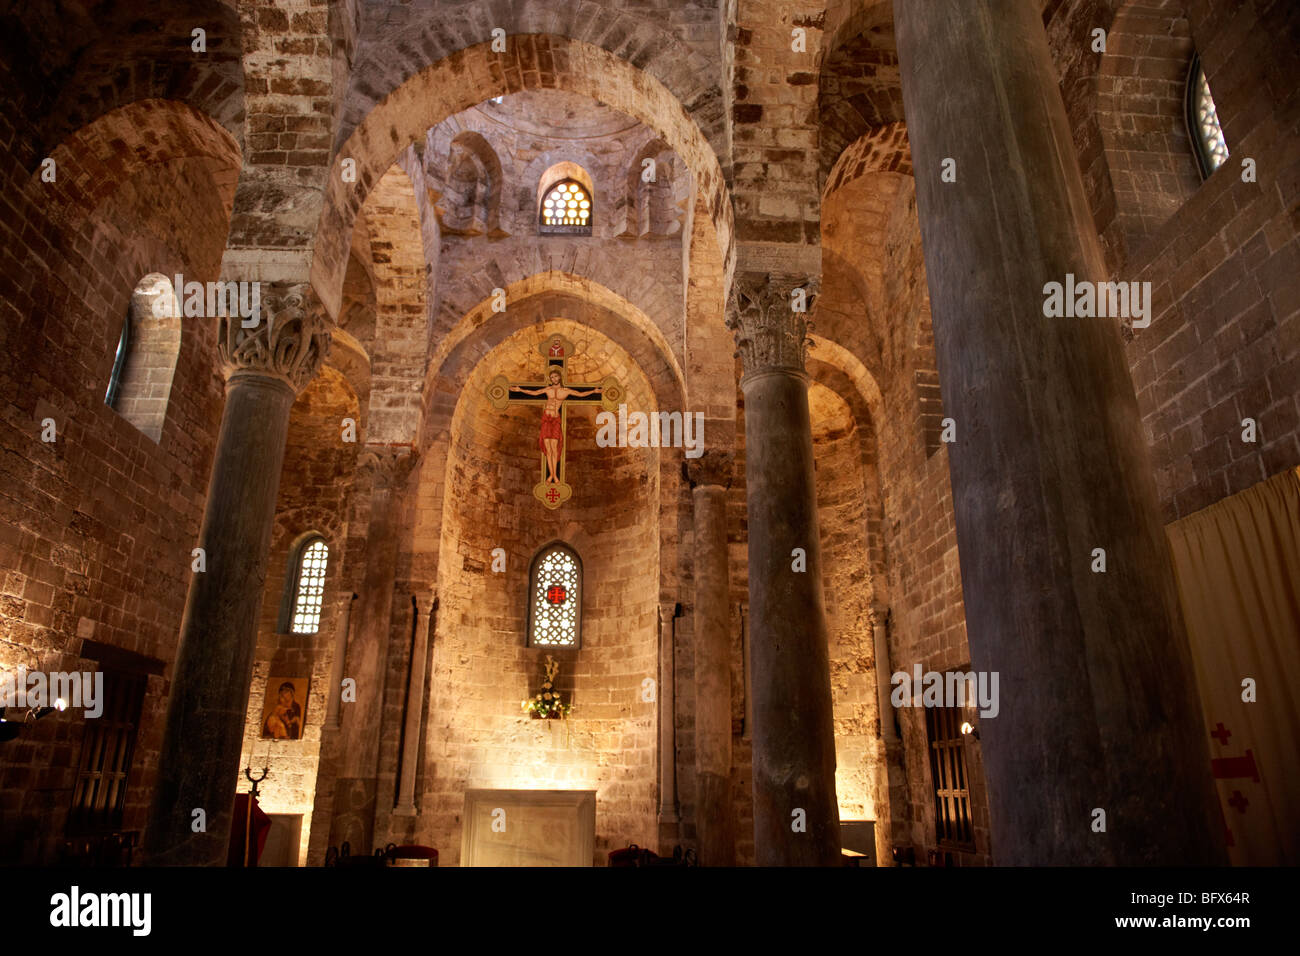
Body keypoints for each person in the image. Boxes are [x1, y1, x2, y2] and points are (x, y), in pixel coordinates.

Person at [514, 368, 601, 484]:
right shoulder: (548, 389)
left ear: (559, 377)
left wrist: (593, 392)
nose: (554, 379)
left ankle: (554, 476)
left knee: (554, 449)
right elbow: (534, 393)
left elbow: (580, 394)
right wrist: (520, 389)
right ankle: (552, 476)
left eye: (555, 376)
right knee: (548, 450)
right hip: (546, 419)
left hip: (555, 420)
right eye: (552, 377)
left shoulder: (565, 391)